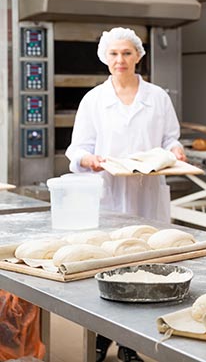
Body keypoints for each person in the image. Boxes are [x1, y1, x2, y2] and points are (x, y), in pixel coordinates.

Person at [66, 27, 186, 362]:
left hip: (148, 193)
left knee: (147, 265)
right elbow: (77, 149)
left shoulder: (158, 96)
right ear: (106, 57)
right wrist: (87, 160)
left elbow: (170, 139)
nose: (121, 60)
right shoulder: (94, 100)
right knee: (107, 265)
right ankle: (103, 337)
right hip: (110, 193)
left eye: (127, 53)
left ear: (138, 56)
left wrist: (175, 151)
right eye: (114, 54)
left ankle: (132, 342)